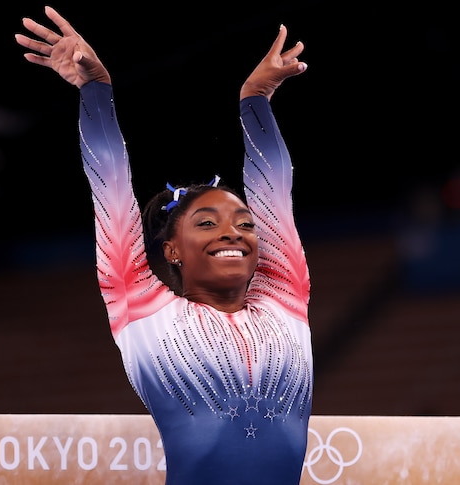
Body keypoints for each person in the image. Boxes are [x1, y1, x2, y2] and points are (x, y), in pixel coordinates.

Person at [16, 6, 312, 484]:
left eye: (243, 222)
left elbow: (274, 190)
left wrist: (256, 98)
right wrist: (96, 90)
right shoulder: (142, 308)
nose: (233, 232)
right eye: (207, 223)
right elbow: (109, 184)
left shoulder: (286, 299)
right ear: (171, 250)